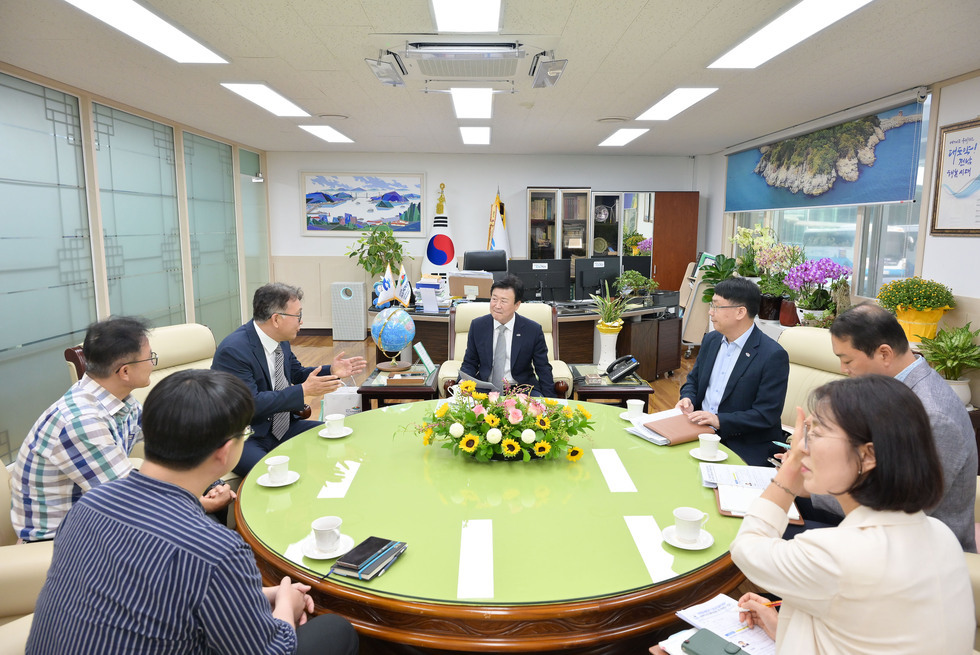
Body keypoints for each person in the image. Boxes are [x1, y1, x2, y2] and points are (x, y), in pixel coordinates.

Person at [26, 369, 359, 654]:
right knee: (334, 629)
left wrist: (260, 594)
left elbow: (146, 595)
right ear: (225, 452)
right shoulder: (217, 549)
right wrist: (287, 603)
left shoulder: (88, 506)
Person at [730, 375, 973, 653]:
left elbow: (746, 548)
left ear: (868, 456)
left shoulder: (835, 554)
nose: (801, 446)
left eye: (816, 433)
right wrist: (783, 626)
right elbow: (872, 633)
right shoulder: (941, 535)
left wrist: (790, 471)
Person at [9, 316, 233, 542]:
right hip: (65, 540)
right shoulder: (82, 422)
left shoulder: (116, 398)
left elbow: (169, 437)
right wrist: (202, 502)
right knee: (204, 535)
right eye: (149, 358)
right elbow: (132, 503)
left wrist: (211, 482)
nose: (153, 364)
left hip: (96, 514)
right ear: (124, 372)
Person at [818, 302, 977, 552]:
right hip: (876, 520)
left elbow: (901, 511)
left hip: (918, 549)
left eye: (847, 360)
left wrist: (811, 487)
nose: (843, 370)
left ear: (884, 353)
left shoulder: (933, 415)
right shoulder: (894, 389)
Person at [212, 282, 366, 476]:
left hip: (285, 426)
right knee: (276, 476)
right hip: (246, 436)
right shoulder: (234, 351)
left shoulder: (280, 341)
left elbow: (298, 373)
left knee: (339, 438)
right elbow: (251, 404)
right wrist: (304, 391)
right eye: (298, 315)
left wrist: (332, 370)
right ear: (276, 319)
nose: (301, 321)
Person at [675, 277, 789, 466]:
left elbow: (765, 414)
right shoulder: (711, 340)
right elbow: (693, 381)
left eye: (717, 306)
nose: (711, 312)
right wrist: (688, 399)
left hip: (743, 441)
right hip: (701, 431)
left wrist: (719, 420)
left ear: (740, 312)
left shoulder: (772, 356)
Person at [459, 274, 556, 397]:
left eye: (504, 301)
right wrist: (460, 386)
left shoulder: (532, 330)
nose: (497, 305)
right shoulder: (478, 326)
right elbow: (470, 363)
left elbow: (543, 368)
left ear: (517, 305)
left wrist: (551, 402)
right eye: (494, 299)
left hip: (521, 389)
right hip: (485, 388)